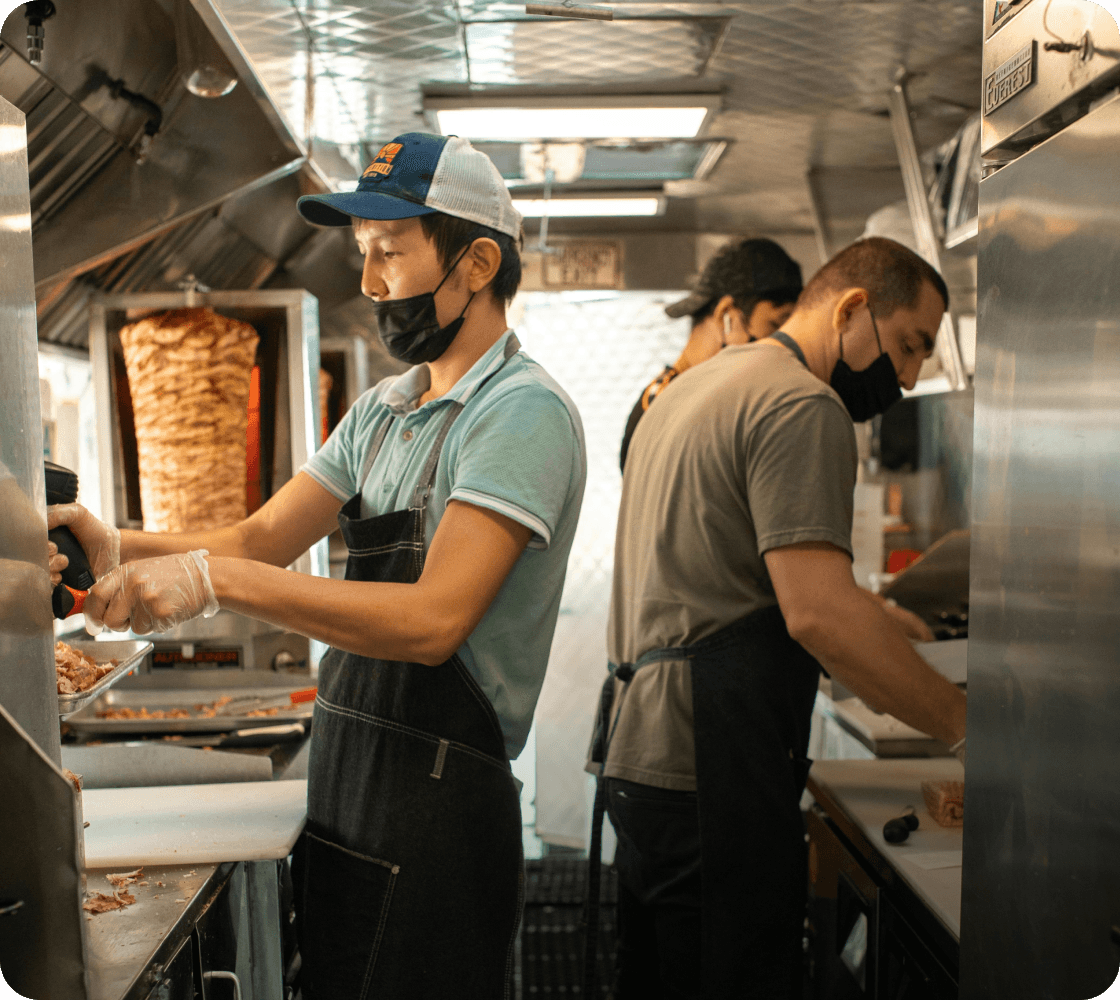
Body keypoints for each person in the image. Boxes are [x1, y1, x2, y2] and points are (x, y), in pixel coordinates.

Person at [50, 132, 587, 998]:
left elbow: (431, 622)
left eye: (391, 254)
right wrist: (114, 542)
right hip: (349, 785)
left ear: (477, 261)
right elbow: (262, 536)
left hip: (439, 805)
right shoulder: (387, 409)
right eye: (362, 255)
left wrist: (210, 582)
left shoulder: (521, 417)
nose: (370, 283)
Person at [587, 237, 967, 999]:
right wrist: (962, 725)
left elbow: (735, 578)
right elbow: (818, 614)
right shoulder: (803, 403)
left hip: (641, 758)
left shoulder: (696, 387)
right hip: (710, 769)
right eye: (908, 345)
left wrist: (881, 619)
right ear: (853, 308)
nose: (910, 375)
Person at [619, 237, 803, 471]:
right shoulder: (671, 407)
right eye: (775, 325)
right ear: (726, 316)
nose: (782, 346)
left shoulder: (705, 400)